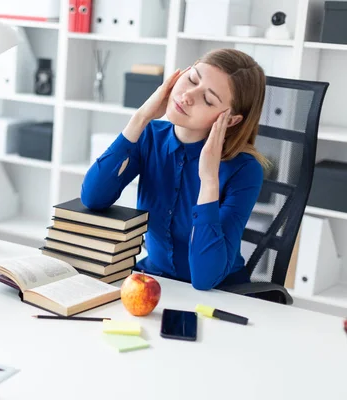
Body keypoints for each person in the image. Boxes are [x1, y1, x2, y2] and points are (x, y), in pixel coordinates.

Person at [81, 48, 268, 290]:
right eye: (192, 79)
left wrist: (209, 180)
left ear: (230, 120)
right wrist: (140, 119)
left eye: (208, 99)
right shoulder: (149, 136)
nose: (188, 95)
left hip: (219, 295)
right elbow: (93, 198)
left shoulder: (245, 169)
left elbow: (205, 279)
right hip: (153, 281)